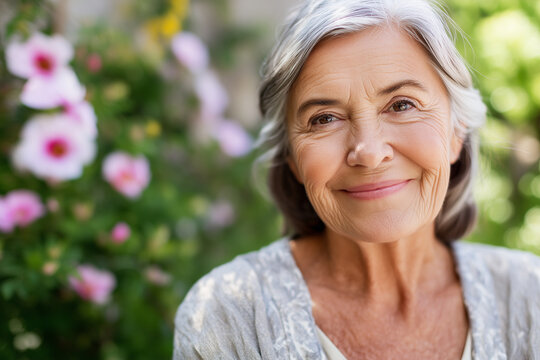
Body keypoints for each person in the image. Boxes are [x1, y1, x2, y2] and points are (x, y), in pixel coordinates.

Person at [174, 0, 540, 358]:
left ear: (456, 132)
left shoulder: (530, 297)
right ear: (293, 158)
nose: (367, 151)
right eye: (324, 118)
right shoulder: (229, 315)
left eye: (401, 104)